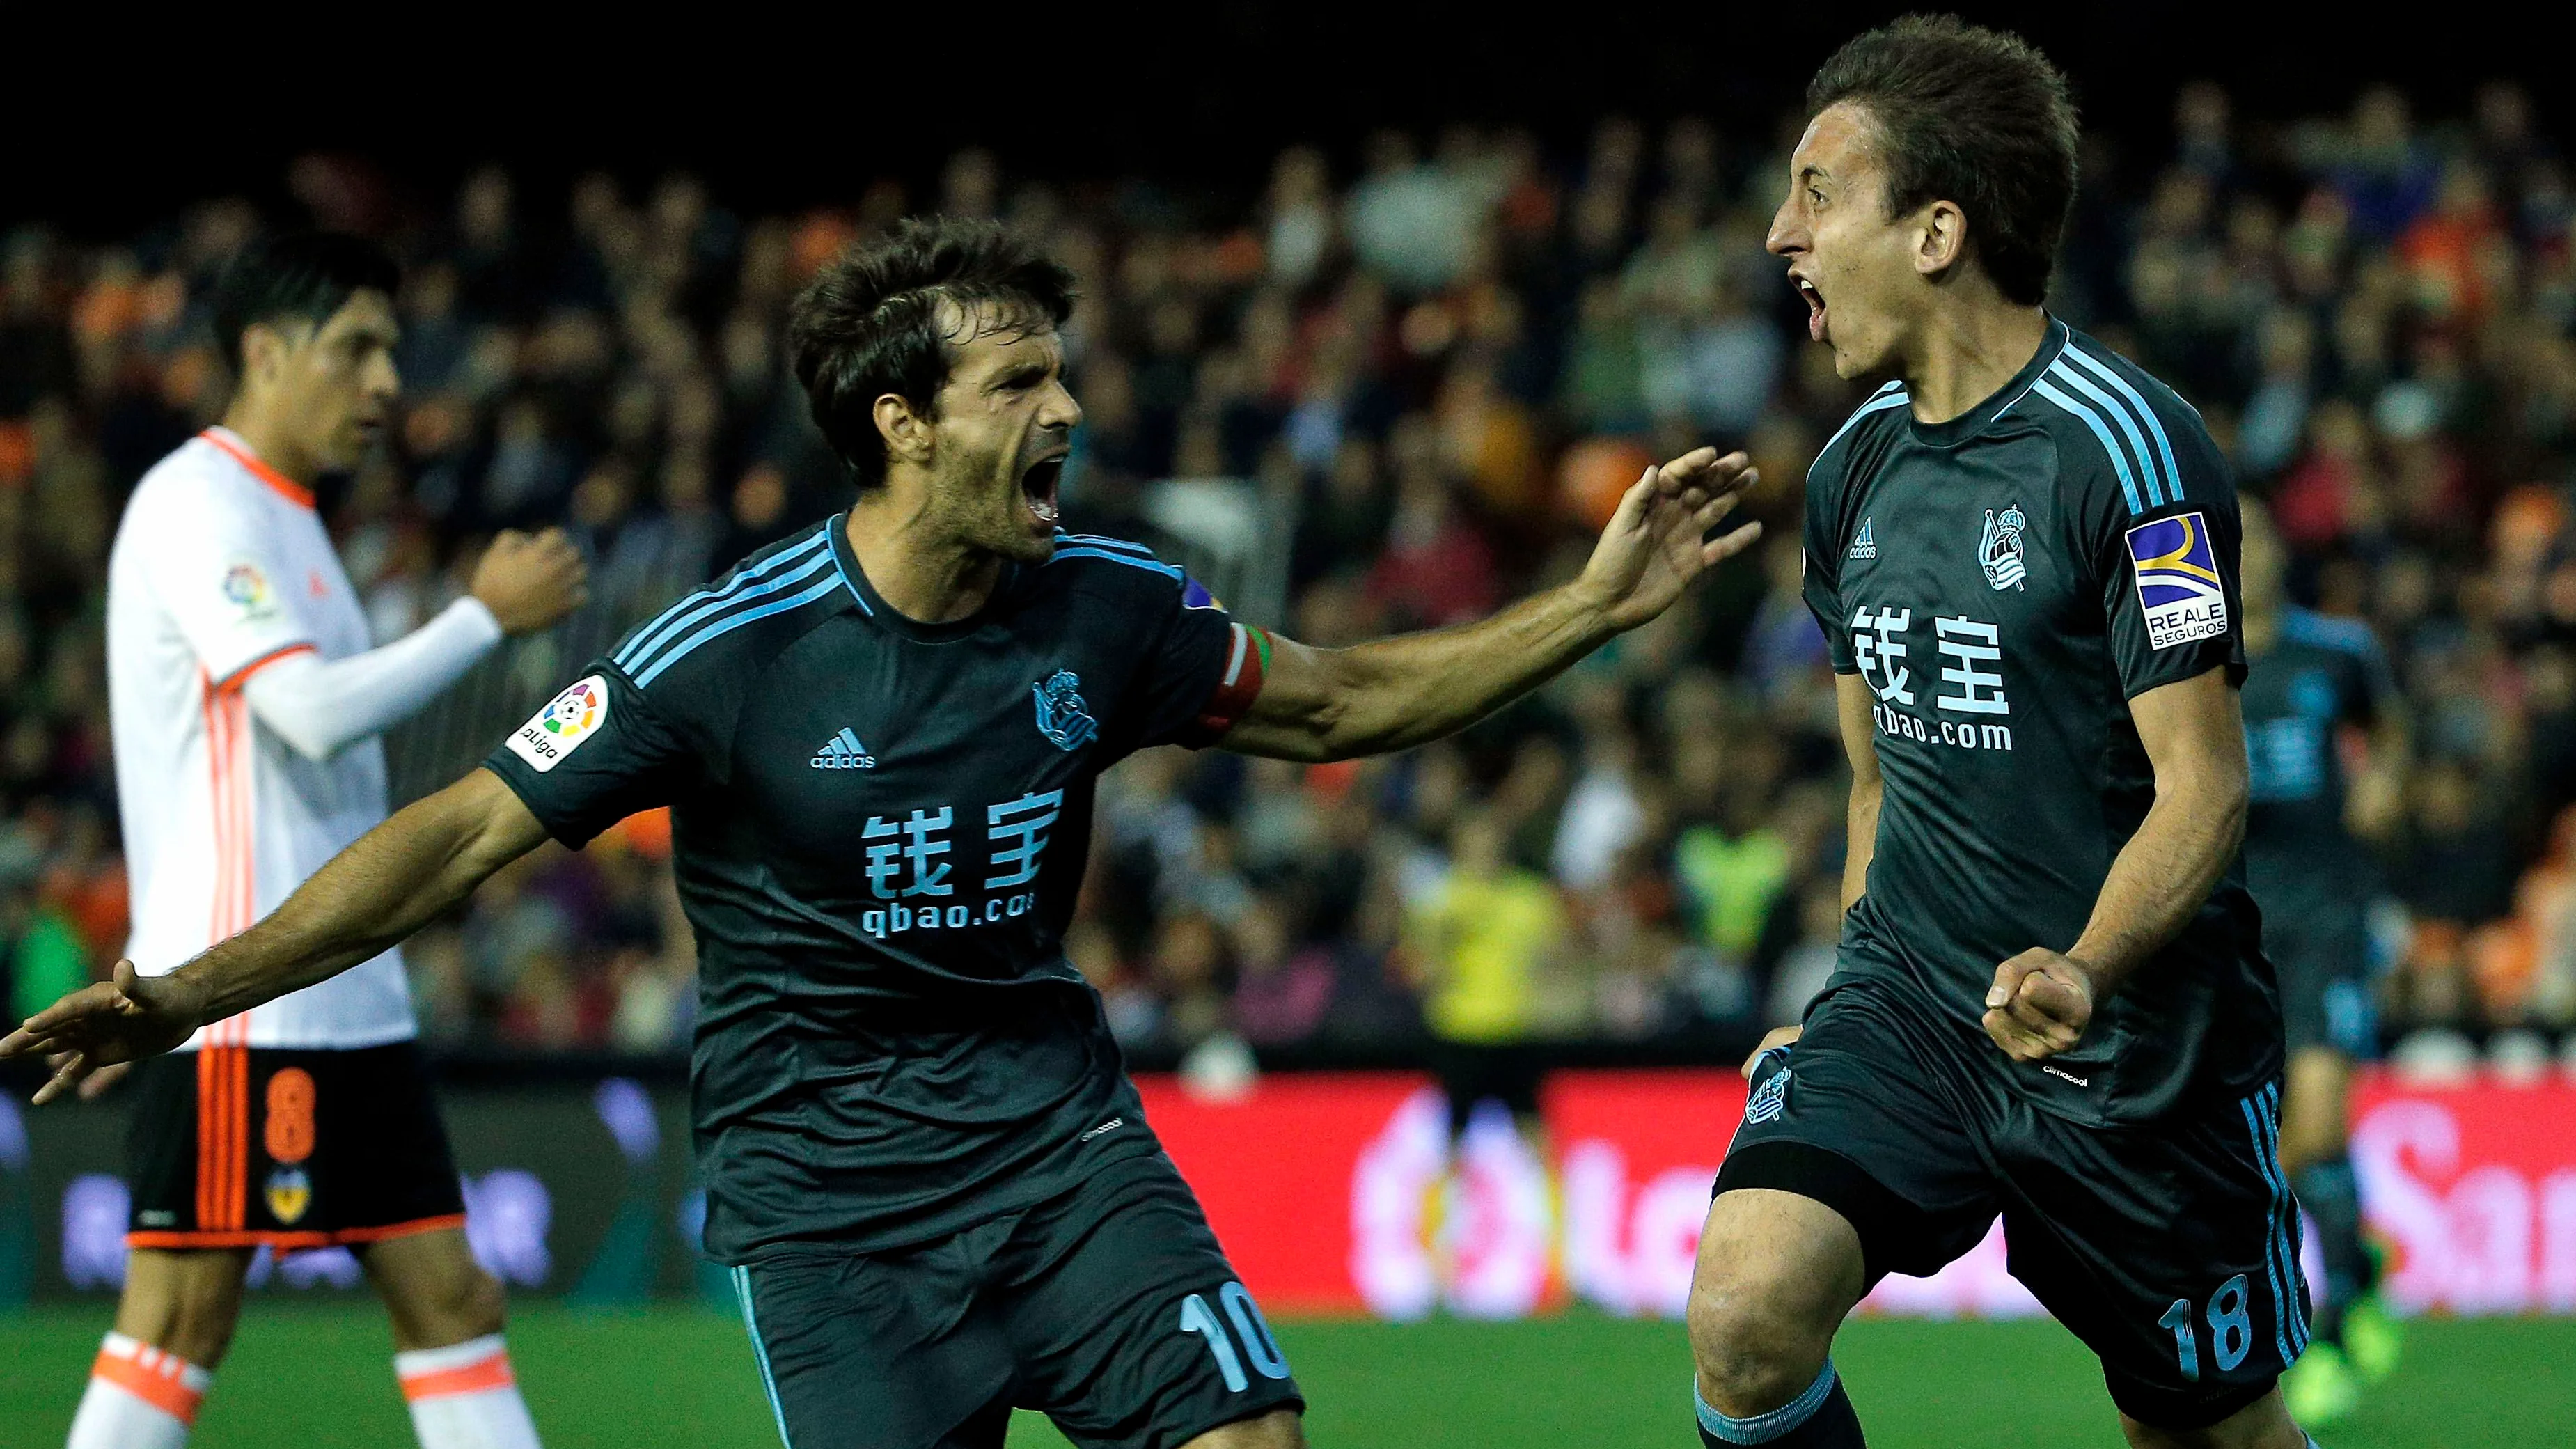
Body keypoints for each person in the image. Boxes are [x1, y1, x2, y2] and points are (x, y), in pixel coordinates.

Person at [7, 217, 1762, 1449]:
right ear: (900, 425)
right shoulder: (725, 654)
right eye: (1015, 384)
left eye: (1058, 374)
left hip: (1061, 1154)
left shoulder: (1107, 605)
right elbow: (460, 837)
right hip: (830, 1205)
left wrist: (1590, 610)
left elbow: (1346, 699)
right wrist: (182, 991)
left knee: (1253, 1433)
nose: (1063, 410)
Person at [1688, 19, 2316, 1449]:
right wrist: (1849, 988)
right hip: (1909, 1010)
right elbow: (1872, 778)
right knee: (1743, 1311)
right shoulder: (1848, 473)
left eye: (1816, 192)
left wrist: (2084, 964)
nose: (1781, 233)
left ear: (1934, 232)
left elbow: (2201, 791)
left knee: (2208, 1430)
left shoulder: (2130, 455)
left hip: (2132, 1049)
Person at [68, 233, 588, 1449]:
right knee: (179, 1320)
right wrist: (479, 619)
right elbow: (301, 712)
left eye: (393, 350)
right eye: (357, 346)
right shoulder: (200, 501)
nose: (386, 382)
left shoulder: (286, 518)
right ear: (265, 350)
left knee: (453, 1297)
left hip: (349, 994)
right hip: (252, 1002)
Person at [2236, 500, 2406, 1425]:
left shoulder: (2335, 653)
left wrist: (2381, 781)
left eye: (2260, 539)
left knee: (2316, 1117)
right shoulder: (2192, 662)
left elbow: (2392, 730)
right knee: (2285, 1146)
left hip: (2327, 920)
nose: (2247, 555)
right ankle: (2357, 1267)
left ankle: (2335, 1323)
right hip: (2231, 932)